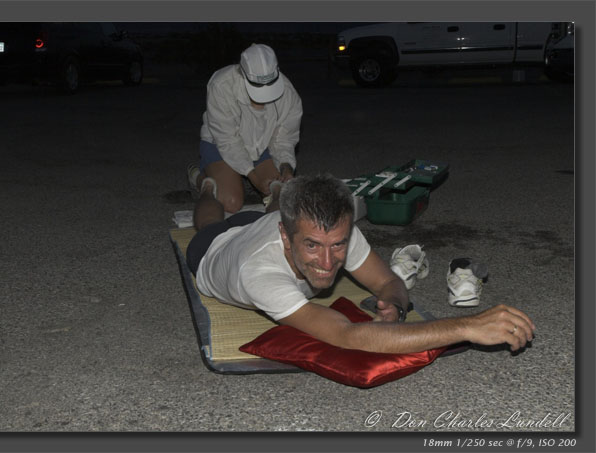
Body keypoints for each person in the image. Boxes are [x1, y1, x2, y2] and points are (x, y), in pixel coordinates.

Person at [186, 173, 536, 354]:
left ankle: (277, 197)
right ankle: (205, 187)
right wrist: (465, 327)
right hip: (214, 250)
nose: (327, 262)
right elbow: (346, 335)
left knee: (278, 212)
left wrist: (396, 307)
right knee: (211, 224)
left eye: (337, 245)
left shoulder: (336, 232)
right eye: (312, 246)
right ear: (285, 236)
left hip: (272, 224)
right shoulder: (258, 274)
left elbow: (388, 283)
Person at [188, 43, 303, 224]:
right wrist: (252, 175)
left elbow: (284, 139)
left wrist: (286, 166)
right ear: (242, 73)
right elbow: (228, 140)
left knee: (277, 189)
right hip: (220, 144)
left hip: (260, 146)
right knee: (231, 202)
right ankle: (202, 181)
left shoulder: (289, 94)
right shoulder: (221, 84)